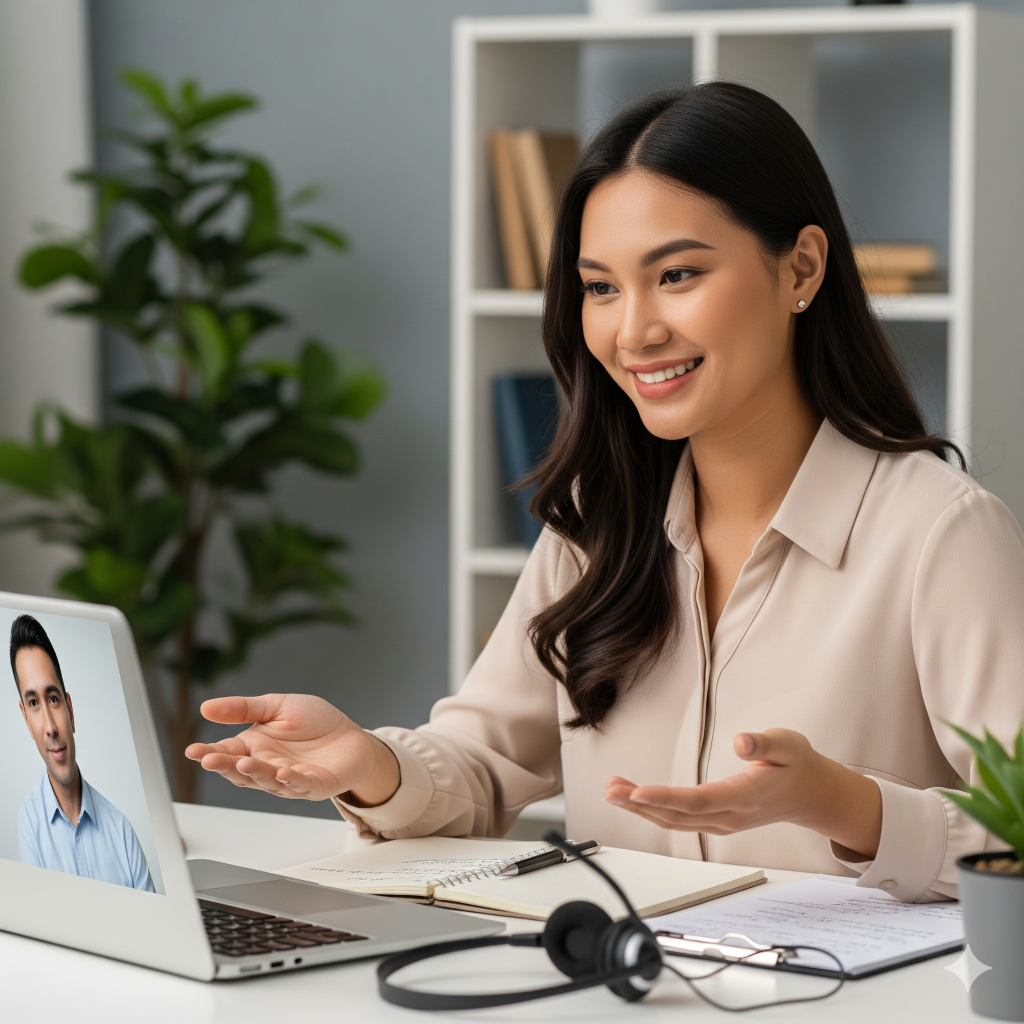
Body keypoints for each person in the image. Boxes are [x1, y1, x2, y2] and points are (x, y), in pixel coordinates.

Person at [185, 83, 1023, 903]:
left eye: (679, 275)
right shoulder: (598, 525)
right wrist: (373, 766)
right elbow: (481, 764)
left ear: (799, 267)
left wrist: (848, 805)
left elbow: (1017, 830)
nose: (634, 331)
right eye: (600, 287)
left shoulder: (938, 533)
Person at [13, 614, 155, 892]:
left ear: (70, 710)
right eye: (33, 703)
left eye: (53, 699)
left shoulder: (122, 831)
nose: (51, 728)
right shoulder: (29, 822)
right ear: (26, 720)